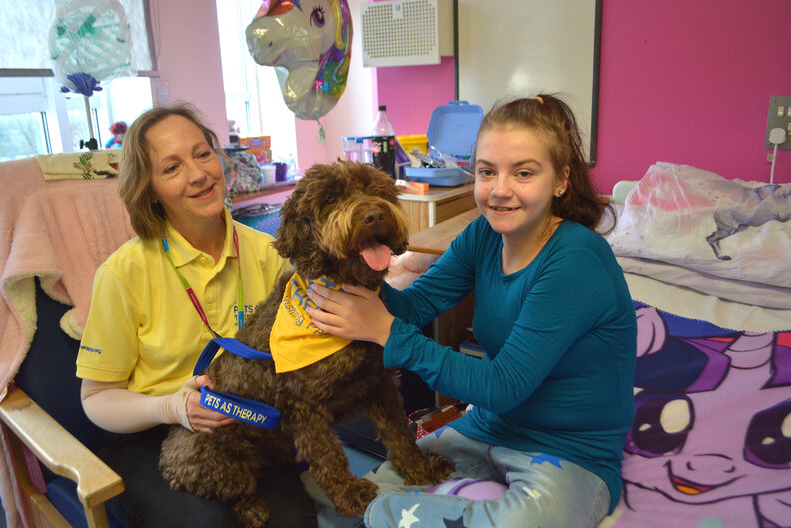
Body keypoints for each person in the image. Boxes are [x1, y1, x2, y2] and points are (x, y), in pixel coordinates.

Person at [305, 94, 637, 528]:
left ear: (560, 180)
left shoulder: (576, 259)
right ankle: (377, 514)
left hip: (570, 451)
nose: (500, 190)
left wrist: (386, 332)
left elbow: (503, 386)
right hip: (488, 427)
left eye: (523, 172)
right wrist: (357, 272)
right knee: (363, 484)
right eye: (486, 172)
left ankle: (373, 516)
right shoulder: (483, 234)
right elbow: (415, 304)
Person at [76, 103, 316, 528]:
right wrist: (173, 407)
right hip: (150, 436)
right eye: (171, 167)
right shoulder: (123, 274)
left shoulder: (266, 253)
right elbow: (96, 399)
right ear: (149, 190)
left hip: (244, 429)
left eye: (202, 153)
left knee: (294, 521)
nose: (198, 174)